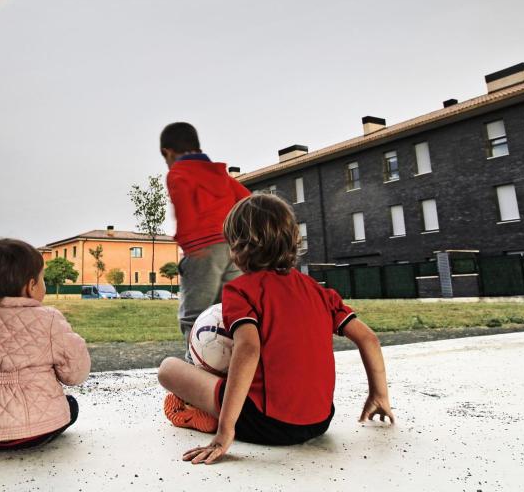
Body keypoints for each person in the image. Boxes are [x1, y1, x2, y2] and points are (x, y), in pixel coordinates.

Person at [158, 193, 395, 464]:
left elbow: (248, 349)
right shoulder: (321, 293)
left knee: (168, 368)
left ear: (237, 247)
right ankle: (216, 408)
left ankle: (209, 416)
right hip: (319, 421)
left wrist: (225, 433)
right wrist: (379, 395)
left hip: (265, 423)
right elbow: (369, 339)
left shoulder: (240, 291)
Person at [0, 238, 90, 450]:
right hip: (36, 430)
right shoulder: (49, 319)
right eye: (42, 278)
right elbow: (75, 375)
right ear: (31, 286)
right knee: (70, 404)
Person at [160, 122, 250, 353]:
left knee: (194, 317)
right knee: (232, 312)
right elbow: (247, 200)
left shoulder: (177, 173)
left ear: (167, 152)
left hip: (203, 248)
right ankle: (233, 369)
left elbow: (185, 210)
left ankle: (196, 368)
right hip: (234, 249)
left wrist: (189, 249)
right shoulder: (220, 174)